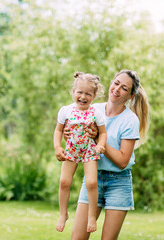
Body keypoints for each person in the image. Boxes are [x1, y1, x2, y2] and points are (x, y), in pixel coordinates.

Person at [68, 69, 150, 240]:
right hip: (93, 179)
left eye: (124, 88)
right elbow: (76, 136)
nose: (117, 89)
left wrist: (99, 137)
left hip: (118, 183)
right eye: (116, 83)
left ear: (130, 96)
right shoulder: (92, 109)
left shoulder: (130, 120)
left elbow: (122, 161)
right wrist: (67, 133)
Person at [54, 72, 107, 233]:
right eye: (80, 92)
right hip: (71, 150)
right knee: (64, 182)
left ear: (94, 95)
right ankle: (63, 214)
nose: (83, 96)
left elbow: (103, 133)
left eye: (88, 94)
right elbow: (58, 130)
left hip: (89, 151)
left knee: (91, 183)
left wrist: (100, 145)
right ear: (73, 92)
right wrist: (57, 147)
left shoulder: (96, 113)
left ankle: (91, 216)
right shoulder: (65, 111)